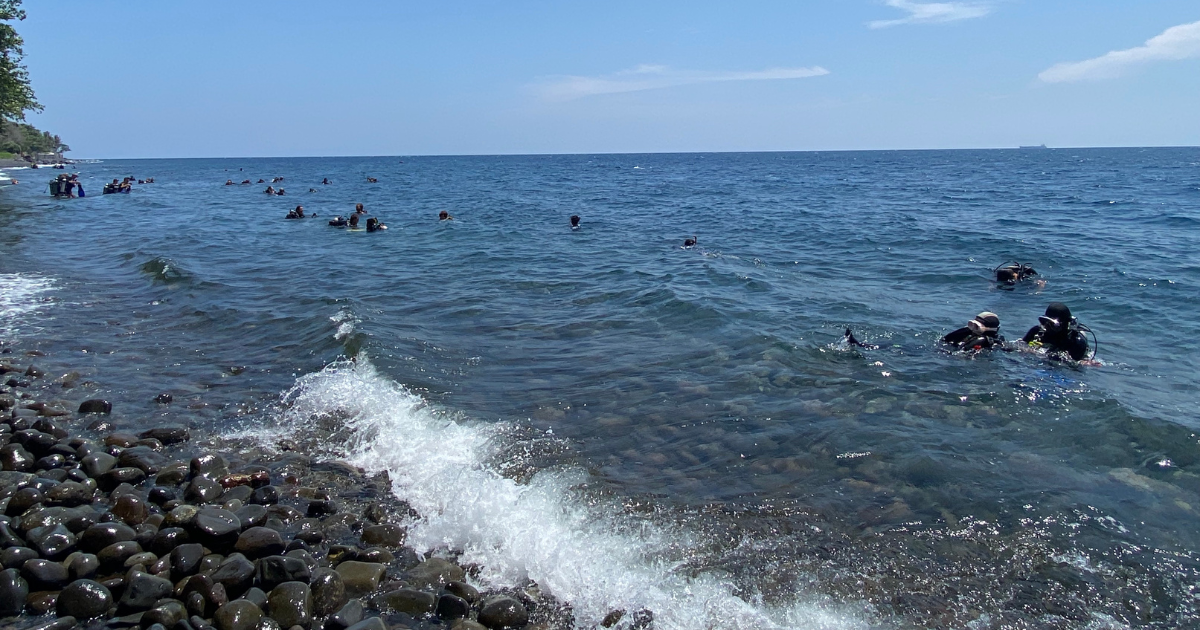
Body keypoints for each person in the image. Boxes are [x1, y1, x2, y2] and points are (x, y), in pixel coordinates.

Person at [1022, 302, 1091, 361]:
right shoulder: (1037, 331)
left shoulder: (1075, 341)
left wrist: (1036, 353)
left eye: (1052, 324)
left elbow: (1072, 364)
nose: (1047, 326)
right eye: (1045, 322)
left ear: (1064, 324)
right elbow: (1019, 345)